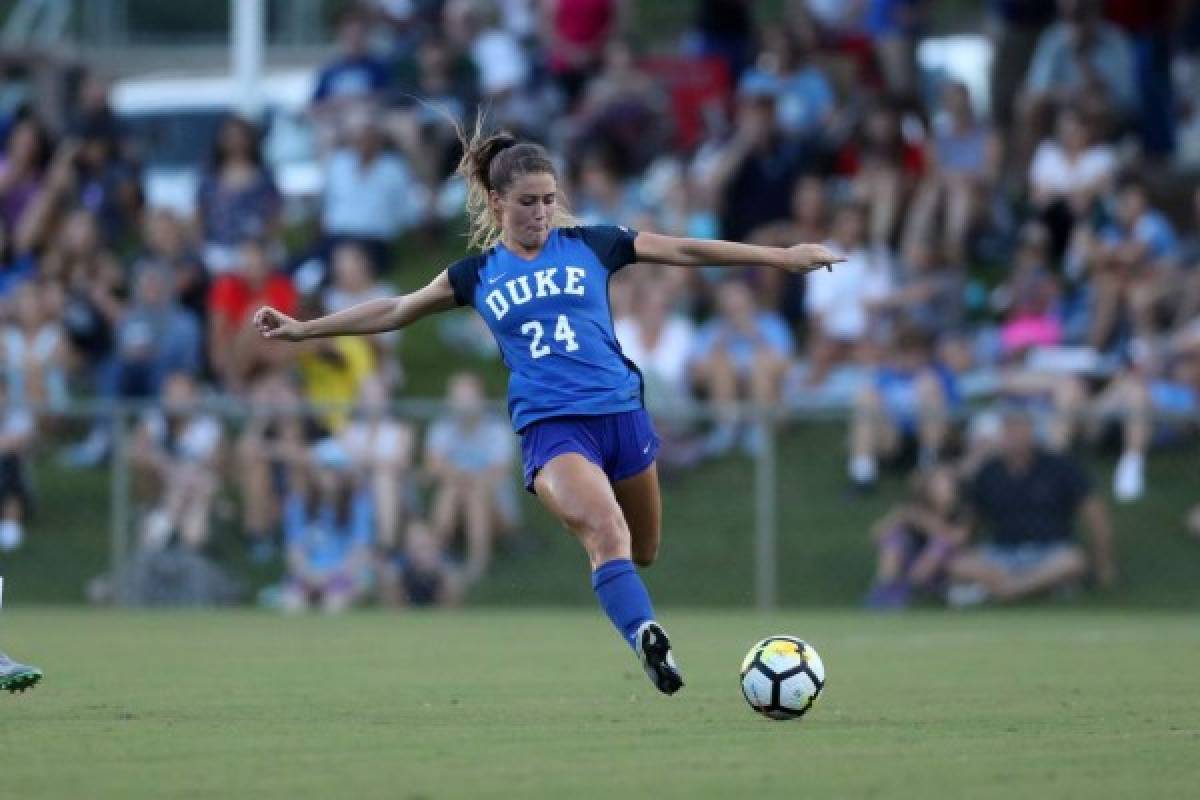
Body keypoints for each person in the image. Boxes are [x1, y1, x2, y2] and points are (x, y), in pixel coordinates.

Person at [253, 125, 843, 695]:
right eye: (528, 202)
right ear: (496, 201)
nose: (540, 212)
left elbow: (685, 248)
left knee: (643, 549)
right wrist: (305, 330)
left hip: (622, 416)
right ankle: (646, 635)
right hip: (553, 427)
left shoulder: (593, 243)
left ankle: (631, 604)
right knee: (605, 530)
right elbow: (395, 309)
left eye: (548, 200)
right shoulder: (477, 273)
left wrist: (780, 256)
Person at [947, 407, 1117, 606]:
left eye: (1020, 430)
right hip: (1003, 552)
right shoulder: (989, 471)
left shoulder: (1060, 467)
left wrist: (1104, 562)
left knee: (1073, 561)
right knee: (958, 565)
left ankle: (1007, 590)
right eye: (1009, 430)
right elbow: (969, 520)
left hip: (1049, 550)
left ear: (1033, 432)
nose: (1014, 436)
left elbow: (1094, 512)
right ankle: (1032, 588)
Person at [425, 372, 517, 584]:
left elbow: (499, 472)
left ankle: (477, 567)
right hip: (455, 499)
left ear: (480, 399)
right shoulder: (441, 428)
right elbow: (433, 466)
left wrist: (463, 477)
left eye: (468, 397)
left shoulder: (497, 430)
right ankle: (435, 560)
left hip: (498, 508)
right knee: (453, 489)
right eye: (458, 397)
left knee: (476, 492)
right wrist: (462, 478)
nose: (464, 404)